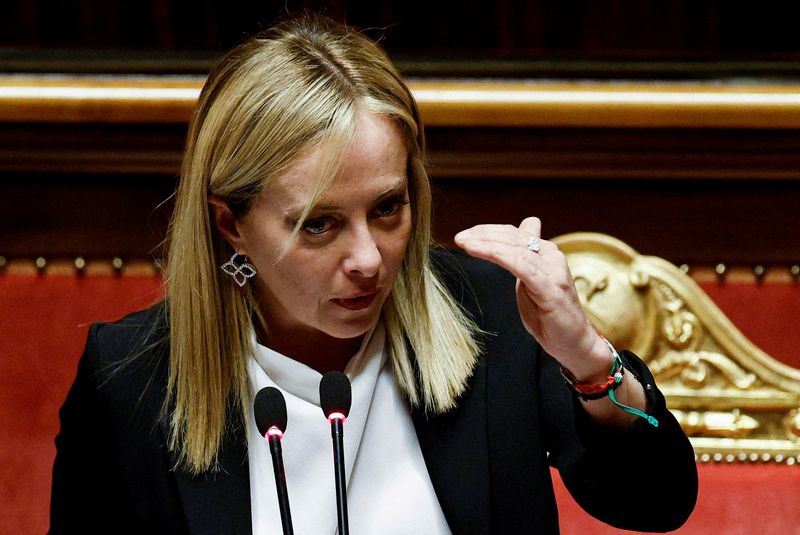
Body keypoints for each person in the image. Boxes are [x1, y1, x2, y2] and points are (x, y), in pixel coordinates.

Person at [50, 14, 697, 535]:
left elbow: (657, 501)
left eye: (388, 208)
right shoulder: (129, 379)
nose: (368, 258)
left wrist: (585, 358)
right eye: (318, 223)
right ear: (231, 224)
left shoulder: (492, 315)